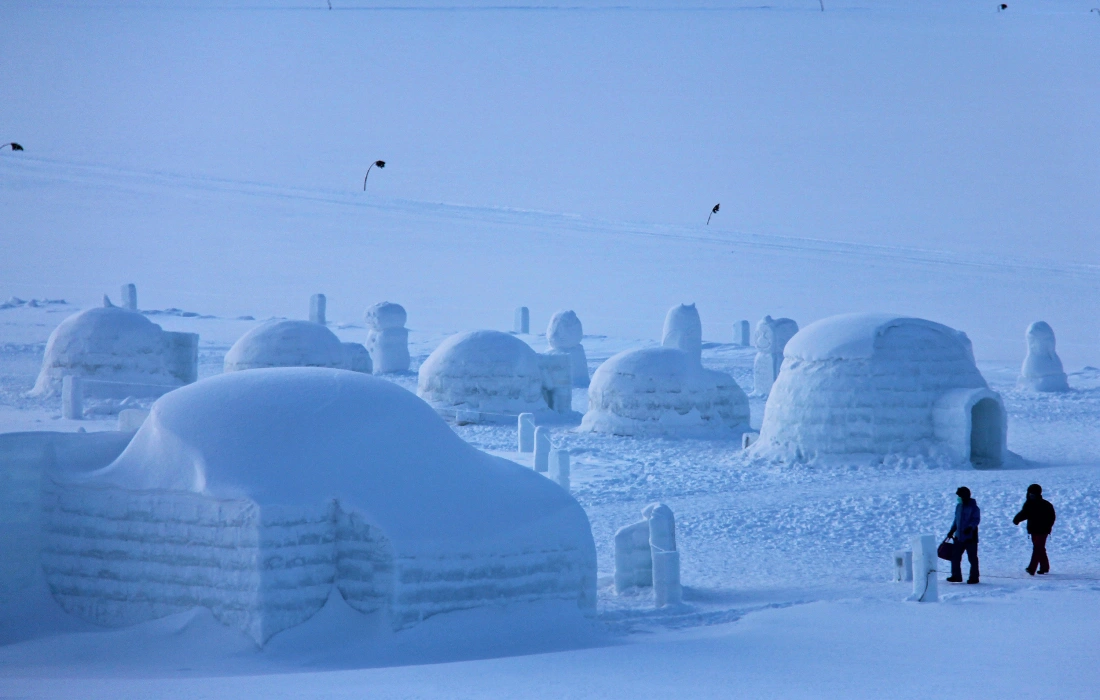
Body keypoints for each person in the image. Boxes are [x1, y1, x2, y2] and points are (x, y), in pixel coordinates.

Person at [1013, 483, 1056, 575]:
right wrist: (1017, 519)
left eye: (1033, 494)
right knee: (1040, 549)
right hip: (1034, 530)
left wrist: (1048, 527)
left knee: (1037, 548)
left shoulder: (1045, 505)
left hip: (1043, 531)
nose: (1031, 496)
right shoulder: (1029, 504)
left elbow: (1051, 517)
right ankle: (1044, 567)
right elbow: (1024, 513)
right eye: (1030, 494)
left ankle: (1032, 568)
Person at [946, 486, 980, 584]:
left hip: (970, 538)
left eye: (959, 496)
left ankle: (974, 577)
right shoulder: (958, 506)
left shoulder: (974, 507)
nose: (958, 498)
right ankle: (956, 576)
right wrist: (952, 531)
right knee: (955, 557)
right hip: (958, 537)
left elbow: (976, 520)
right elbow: (956, 520)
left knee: (972, 558)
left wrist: (970, 527)